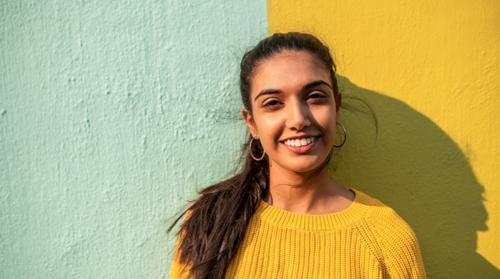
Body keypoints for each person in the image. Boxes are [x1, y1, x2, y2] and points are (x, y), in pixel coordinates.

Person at [168, 32, 426, 279]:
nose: (299, 119)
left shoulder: (388, 238)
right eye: (273, 103)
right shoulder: (212, 223)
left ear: (336, 107)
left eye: (315, 97)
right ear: (252, 123)